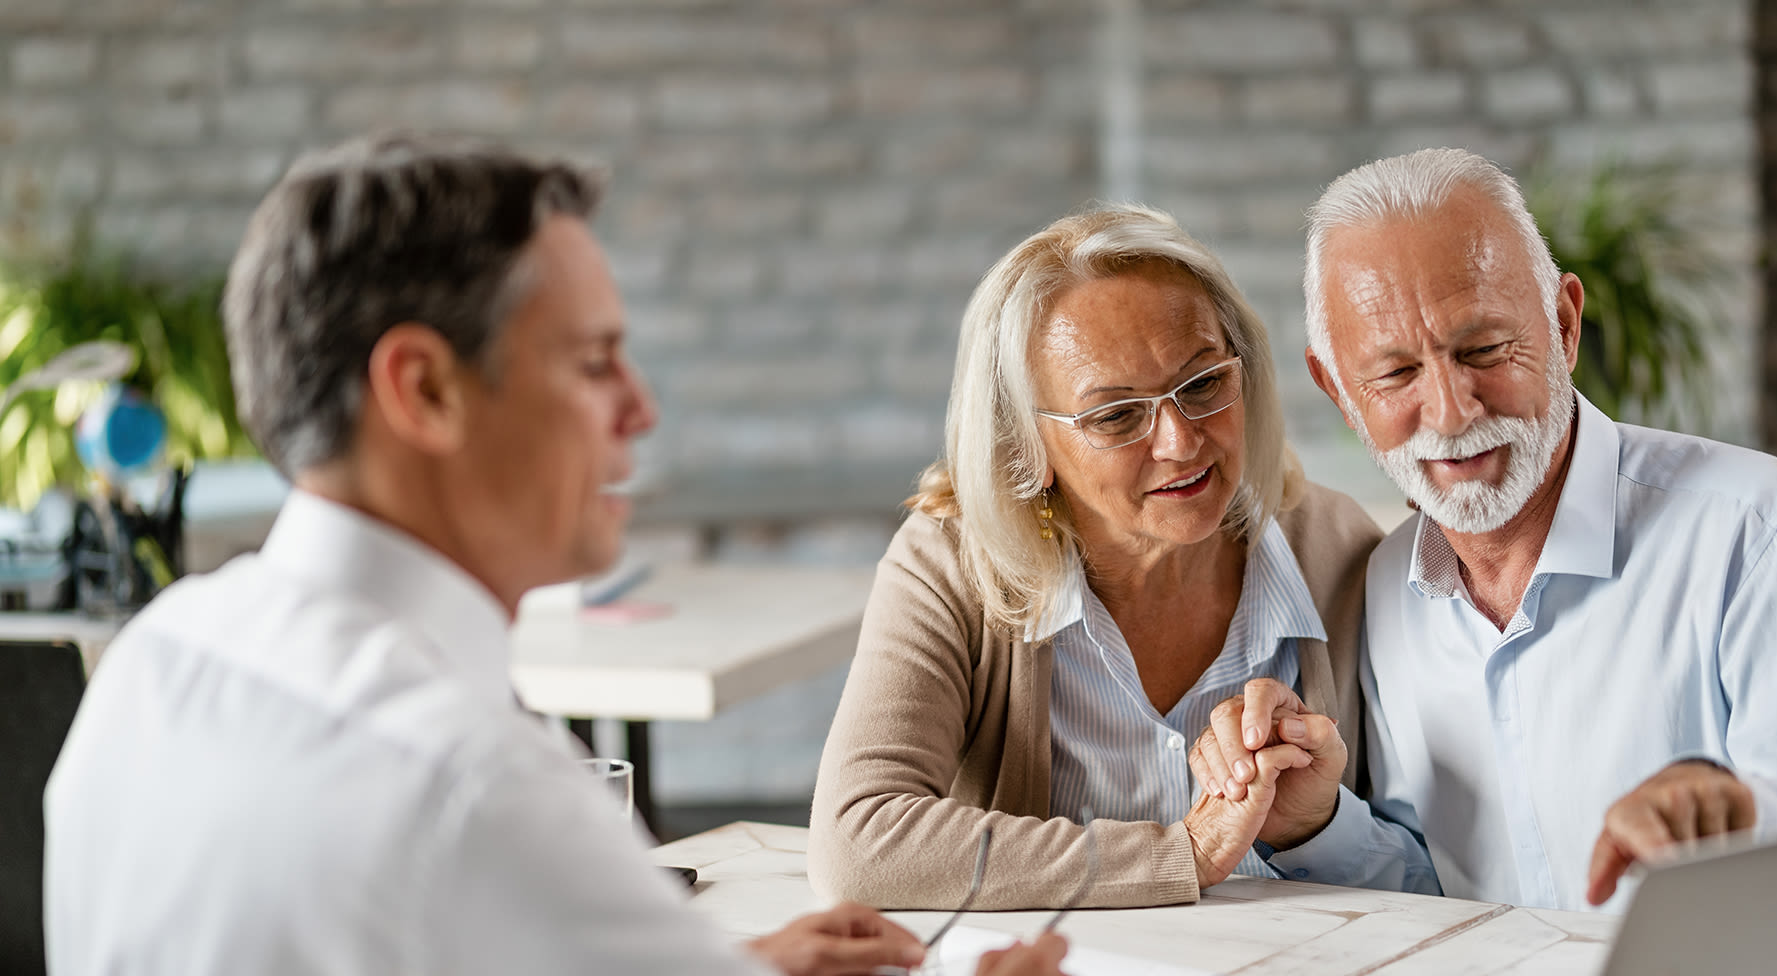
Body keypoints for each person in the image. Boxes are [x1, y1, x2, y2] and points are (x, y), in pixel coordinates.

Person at [42, 133, 1065, 976]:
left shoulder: (151, 663)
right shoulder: (475, 788)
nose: (639, 407)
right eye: (592, 361)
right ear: (425, 390)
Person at [1192, 146, 1777, 913]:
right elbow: (1443, 893)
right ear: (1341, 393)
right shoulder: (1389, 585)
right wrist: (1315, 823)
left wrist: (1741, 820)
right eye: (1395, 375)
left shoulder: (1756, 527)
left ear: (1564, 324)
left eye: (1483, 349)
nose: (1451, 413)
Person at [807, 204, 1437, 911]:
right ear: (1027, 448)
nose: (1179, 440)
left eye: (1202, 385)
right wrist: (1183, 855)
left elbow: (1434, 873)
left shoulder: (1341, 549)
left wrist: (1314, 828)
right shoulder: (952, 565)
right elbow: (858, 842)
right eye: (1115, 415)